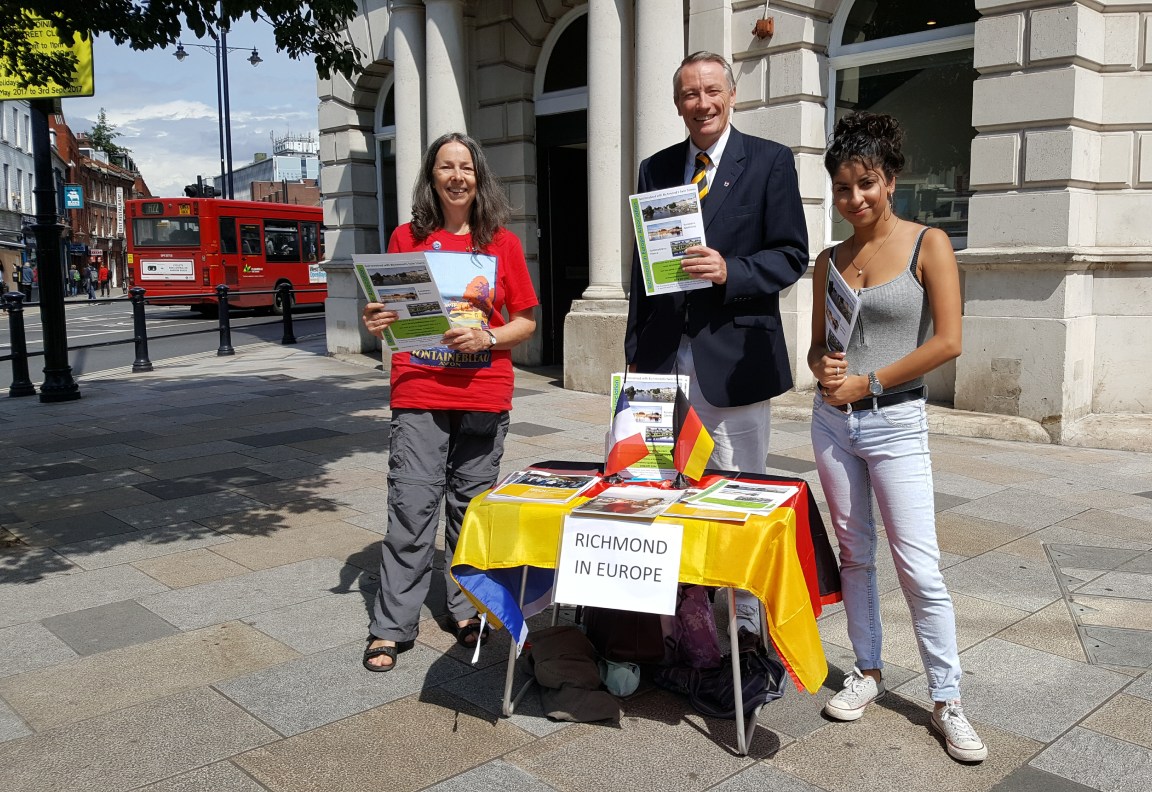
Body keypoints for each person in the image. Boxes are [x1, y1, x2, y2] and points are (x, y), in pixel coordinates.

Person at [808, 112, 986, 763]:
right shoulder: (830, 258)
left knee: (919, 566)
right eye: (844, 188)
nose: (856, 198)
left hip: (895, 422)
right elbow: (817, 347)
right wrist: (823, 370)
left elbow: (949, 340)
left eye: (867, 183)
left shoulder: (927, 244)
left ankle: (948, 699)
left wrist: (868, 382)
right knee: (855, 555)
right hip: (832, 424)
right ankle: (869, 670)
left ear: (891, 178)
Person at [624, 51, 808, 635]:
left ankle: (745, 624)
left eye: (710, 91)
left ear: (731, 96)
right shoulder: (655, 169)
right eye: (688, 94)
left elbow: (791, 254)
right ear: (677, 104)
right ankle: (679, 620)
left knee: (736, 488)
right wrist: (635, 358)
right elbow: (640, 272)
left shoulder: (771, 163)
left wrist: (731, 271)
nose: (700, 104)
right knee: (659, 488)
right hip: (662, 358)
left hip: (734, 358)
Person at [361, 132, 538, 671]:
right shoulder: (406, 238)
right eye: (446, 166)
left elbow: (527, 322)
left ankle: (467, 610)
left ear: (478, 177)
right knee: (412, 507)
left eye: (466, 167)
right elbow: (386, 316)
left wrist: (489, 336)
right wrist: (375, 322)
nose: (457, 176)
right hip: (419, 390)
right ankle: (392, 626)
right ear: (432, 177)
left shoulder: (501, 243)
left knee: (471, 508)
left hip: (484, 392)